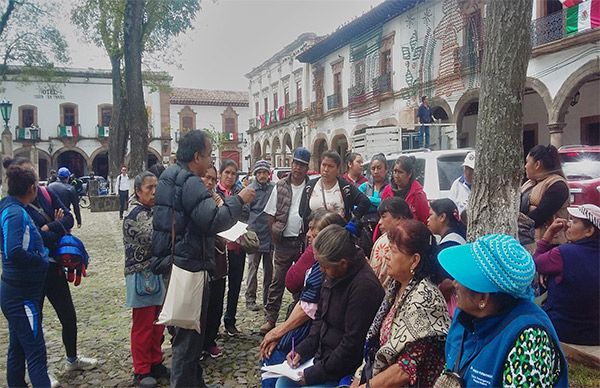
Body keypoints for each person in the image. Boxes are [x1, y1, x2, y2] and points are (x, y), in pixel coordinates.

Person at [152, 130, 255, 387]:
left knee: (185, 336)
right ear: (196, 156)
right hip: (189, 266)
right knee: (188, 342)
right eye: (209, 154)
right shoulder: (191, 181)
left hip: (174, 261)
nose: (211, 161)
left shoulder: (168, 176)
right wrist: (239, 200)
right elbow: (213, 221)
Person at [437, 234, 568, 387]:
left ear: (483, 298)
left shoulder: (528, 340)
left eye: (464, 279)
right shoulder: (464, 316)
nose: (455, 283)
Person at [10, 157, 98, 375]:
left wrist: (52, 226)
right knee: (35, 321)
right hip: (34, 272)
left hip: (55, 267)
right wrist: (54, 228)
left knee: (68, 315)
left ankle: (72, 358)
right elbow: (37, 238)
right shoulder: (17, 208)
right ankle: (39, 370)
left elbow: (67, 218)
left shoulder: (47, 193)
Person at [275, 224, 384, 387]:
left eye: (324, 266)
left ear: (343, 263)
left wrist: (314, 374)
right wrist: (301, 350)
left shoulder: (364, 287)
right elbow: (320, 319)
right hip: (323, 358)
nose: (321, 270)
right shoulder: (334, 274)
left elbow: (352, 345)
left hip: (344, 368)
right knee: (282, 383)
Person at [353, 220, 450, 387]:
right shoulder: (397, 287)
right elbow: (376, 345)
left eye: (393, 251)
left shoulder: (425, 299)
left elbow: (405, 368)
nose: (386, 256)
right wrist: (357, 380)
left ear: (414, 260)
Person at [260, 210, 346, 388]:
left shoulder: (327, 268)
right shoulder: (318, 262)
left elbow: (309, 309)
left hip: (313, 339)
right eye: (309, 231)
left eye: (314, 234)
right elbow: (294, 282)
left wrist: (279, 332)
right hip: (310, 335)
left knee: (272, 358)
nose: (308, 236)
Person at [0, 162, 51, 387]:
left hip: (19, 290)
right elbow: (13, 251)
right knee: (36, 354)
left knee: (17, 348)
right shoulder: (14, 213)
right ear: (31, 187)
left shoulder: (13, 208)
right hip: (21, 294)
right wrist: (41, 260)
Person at [123, 171, 168, 388]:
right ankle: (141, 369)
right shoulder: (135, 214)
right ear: (138, 191)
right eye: (149, 188)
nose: (154, 192)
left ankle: (155, 360)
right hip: (141, 274)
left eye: (156, 187)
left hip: (157, 273)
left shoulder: (155, 210)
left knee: (158, 323)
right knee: (143, 324)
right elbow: (154, 239)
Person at [261, 147, 311, 334]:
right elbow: (270, 213)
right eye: (296, 163)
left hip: (301, 242)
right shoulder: (280, 186)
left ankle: (297, 317)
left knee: (301, 280)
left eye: (302, 165)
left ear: (307, 168)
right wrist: (275, 233)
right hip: (282, 241)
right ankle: (270, 317)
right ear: (291, 164)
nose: (298, 168)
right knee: (278, 280)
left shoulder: (310, 187)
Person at [533, 204, 600, 345]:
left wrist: (548, 234)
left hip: (562, 329)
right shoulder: (564, 253)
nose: (568, 225)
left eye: (574, 222)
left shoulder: (563, 254)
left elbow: (535, 263)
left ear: (589, 231)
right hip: (595, 333)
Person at [216, 159, 249, 336]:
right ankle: (215, 321)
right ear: (221, 174)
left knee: (235, 285)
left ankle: (230, 320)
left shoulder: (239, 192)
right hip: (220, 247)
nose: (230, 176)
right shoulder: (214, 193)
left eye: (233, 173)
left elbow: (244, 213)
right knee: (218, 287)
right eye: (227, 172)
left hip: (236, 245)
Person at [299, 150, 370, 229]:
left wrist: (352, 220)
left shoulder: (345, 187)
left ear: (338, 168)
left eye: (330, 166)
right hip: (315, 236)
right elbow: (302, 211)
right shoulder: (310, 186)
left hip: (337, 236)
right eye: (324, 165)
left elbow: (365, 202)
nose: (326, 169)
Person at [200, 165, 227, 360]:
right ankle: (197, 343)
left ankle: (210, 340)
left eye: (212, 179)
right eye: (206, 178)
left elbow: (225, 223)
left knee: (217, 301)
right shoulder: (193, 199)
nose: (209, 182)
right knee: (201, 304)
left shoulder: (218, 200)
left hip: (218, 257)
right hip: (200, 259)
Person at [520, 144, 570, 247]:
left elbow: (538, 217)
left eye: (527, 162)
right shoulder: (529, 183)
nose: (525, 166)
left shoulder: (558, 186)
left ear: (537, 164)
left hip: (549, 245)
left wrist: (524, 211)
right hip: (526, 239)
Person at [427, 198, 467, 317]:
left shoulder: (450, 245)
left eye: (431, 215)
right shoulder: (457, 238)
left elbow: (448, 282)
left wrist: (438, 300)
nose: (427, 220)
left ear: (442, 217)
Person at [245, 160, 275, 312]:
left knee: (269, 270)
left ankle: (267, 298)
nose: (262, 175)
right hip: (254, 235)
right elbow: (245, 212)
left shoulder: (273, 189)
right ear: (256, 174)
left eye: (265, 172)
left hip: (269, 234)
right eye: (259, 172)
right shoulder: (251, 190)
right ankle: (250, 299)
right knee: (253, 268)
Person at [369, 197, 413, 287]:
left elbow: (375, 276)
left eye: (384, 217)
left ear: (399, 218)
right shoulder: (419, 234)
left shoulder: (384, 241)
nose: (379, 222)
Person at [380, 155, 430, 224]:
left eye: (400, 172)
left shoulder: (418, 194)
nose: (396, 175)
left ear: (409, 174)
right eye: (395, 171)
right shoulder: (387, 191)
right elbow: (382, 215)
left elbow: (424, 220)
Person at [358, 153, 389, 256]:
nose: (376, 171)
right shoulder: (364, 187)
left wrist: (368, 200)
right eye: (373, 168)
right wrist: (377, 202)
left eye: (379, 168)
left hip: (384, 228)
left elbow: (387, 204)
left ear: (386, 169)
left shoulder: (390, 188)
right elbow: (356, 205)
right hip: (364, 230)